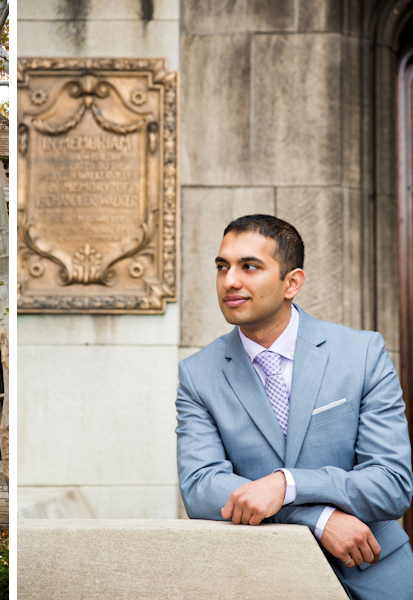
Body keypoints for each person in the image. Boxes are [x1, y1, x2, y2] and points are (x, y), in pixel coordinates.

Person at [176, 214, 413, 599]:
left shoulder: (362, 354)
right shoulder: (197, 375)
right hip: (257, 579)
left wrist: (287, 483)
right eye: (222, 267)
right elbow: (201, 487)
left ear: (292, 283)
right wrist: (315, 516)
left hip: (375, 572)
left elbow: (392, 484)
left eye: (249, 266)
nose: (229, 281)